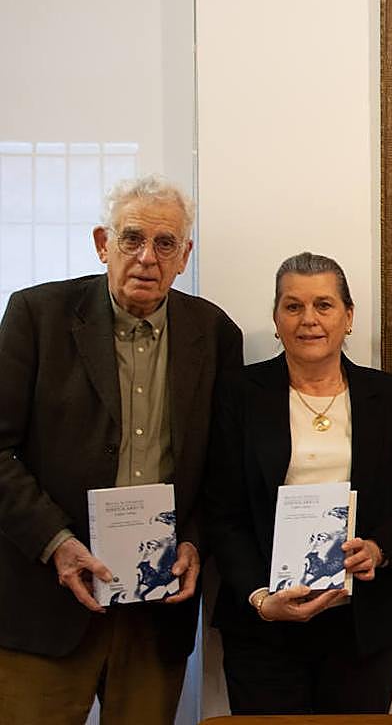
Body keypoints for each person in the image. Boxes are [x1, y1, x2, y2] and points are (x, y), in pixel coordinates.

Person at [0, 175, 243, 725]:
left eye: (165, 244)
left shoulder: (214, 334)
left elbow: (225, 467)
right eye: (131, 239)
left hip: (155, 612)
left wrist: (194, 542)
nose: (146, 258)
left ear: (185, 255)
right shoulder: (37, 317)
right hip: (46, 605)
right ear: (102, 244)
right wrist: (56, 543)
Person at [205, 252, 392, 715]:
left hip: (366, 622)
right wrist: (260, 598)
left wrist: (380, 549)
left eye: (324, 305)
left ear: (349, 316)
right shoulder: (239, 395)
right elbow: (222, 512)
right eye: (293, 306)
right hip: (264, 623)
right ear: (276, 319)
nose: (309, 320)